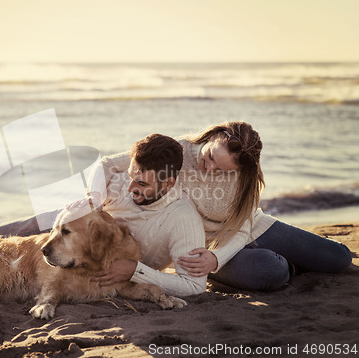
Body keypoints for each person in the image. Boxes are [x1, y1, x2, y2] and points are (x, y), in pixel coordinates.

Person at [100, 122, 352, 291]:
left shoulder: (243, 178)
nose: (209, 168)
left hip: (250, 231)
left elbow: (246, 224)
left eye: (221, 169)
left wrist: (217, 259)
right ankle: (292, 265)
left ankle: (294, 257)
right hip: (207, 247)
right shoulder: (178, 151)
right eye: (209, 157)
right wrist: (91, 198)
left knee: (340, 258)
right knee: (273, 270)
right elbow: (105, 165)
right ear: (211, 137)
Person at [0, 134, 207, 297]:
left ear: (168, 183)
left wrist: (137, 271)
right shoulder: (121, 182)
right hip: (70, 223)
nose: (129, 188)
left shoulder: (183, 218)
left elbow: (194, 286)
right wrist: (95, 196)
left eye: (141, 183)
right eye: (130, 176)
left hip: (74, 244)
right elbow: (104, 164)